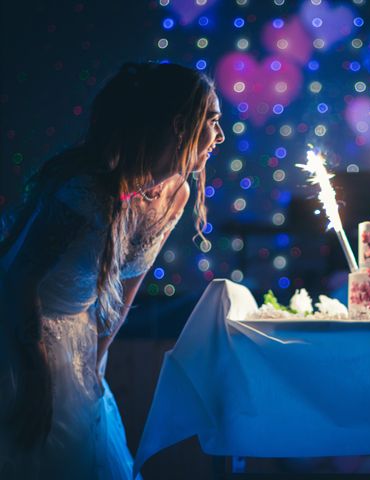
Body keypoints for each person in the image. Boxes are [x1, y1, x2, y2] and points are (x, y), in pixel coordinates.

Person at [0, 62, 225, 479]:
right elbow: (18, 280)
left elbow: (125, 293)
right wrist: (36, 378)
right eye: (212, 121)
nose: (220, 136)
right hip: (17, 335)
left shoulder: (175, 191)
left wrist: (93, 368)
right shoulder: (85, 191)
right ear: (180, 125)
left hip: (78, 343)